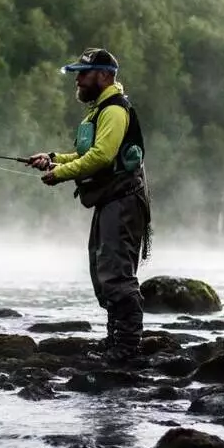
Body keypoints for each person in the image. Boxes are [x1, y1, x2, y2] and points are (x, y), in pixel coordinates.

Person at [27, 47, 152, 363]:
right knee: (103, 271)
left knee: (116, 274)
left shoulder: (114, 110)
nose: (78, 80)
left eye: (83, 73)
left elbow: (101, 157)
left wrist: (61, 175)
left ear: (104, 75)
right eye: (76, 74)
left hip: (124, 202)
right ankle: (115, 341)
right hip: (111, 201)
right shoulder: (101, 110)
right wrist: (53, 159)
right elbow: (89, 155)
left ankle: (127, 347)